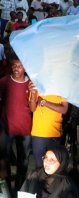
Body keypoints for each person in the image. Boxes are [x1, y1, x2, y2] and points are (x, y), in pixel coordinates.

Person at [0, 54, 32, 190]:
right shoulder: (4, 81)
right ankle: (5, 186)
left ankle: (20, 188)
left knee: (23, 161)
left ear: (25, 68)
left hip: (25, 128)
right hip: (6, 127)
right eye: (13, 65)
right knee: (3, 158)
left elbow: (33, 107)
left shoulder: (30, 84)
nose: (16, 68)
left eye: (19, 66)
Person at [28, 82, 69, 169]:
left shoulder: (62, 88)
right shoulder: (36, 84)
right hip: (38, 133)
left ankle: (50, 183)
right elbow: (32, 108)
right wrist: (33, 94)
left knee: (53, 166)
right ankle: (41, 182)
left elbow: (64, 109)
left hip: (55, 133)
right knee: (39, 166)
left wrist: (44, 102)